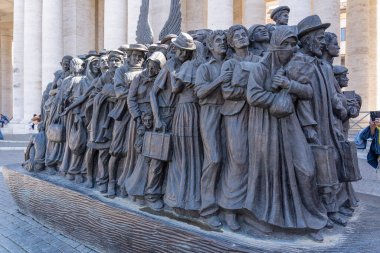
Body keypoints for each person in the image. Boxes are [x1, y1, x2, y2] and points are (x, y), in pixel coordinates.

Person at [245, 26, 327, 242]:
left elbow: (307, 92)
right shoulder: (261, 67)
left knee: (305, 169)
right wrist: (277, 99)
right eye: (286, 45)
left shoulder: (295, 65)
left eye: (293, 45)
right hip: (266, 125)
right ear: (275, 46)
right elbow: (253, 96)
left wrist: (287, 84)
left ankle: (312, 220)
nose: (291, 49)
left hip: (290, 123)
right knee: (270, 172)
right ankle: (266, 218)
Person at [296, 15, 348, 227]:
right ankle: (319, 212)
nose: (322, 43)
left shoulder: (325, 67)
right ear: (307, 39)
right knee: (316, 168)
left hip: (327, 122)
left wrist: (341, 109)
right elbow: (300, 98)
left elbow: (333, 94)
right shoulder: (299, 62)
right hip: (310, 125)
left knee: (333, 162)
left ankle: (331, 208)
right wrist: (308, 125)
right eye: (318, 38)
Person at [217, 25, 260, 231]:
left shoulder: (258, 59)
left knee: (256, 161)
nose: (242, 38)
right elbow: (227, 92)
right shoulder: (229, 64)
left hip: (258, 115)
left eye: (244, 34)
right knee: (239, 159)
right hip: (235, 114)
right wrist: (251, 90)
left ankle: (250, 209)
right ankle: (229, 208)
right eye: (237, 36)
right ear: (231, 43)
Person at [164, 37, 205, 216]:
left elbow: (175, 88)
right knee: (194, 154)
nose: (181, 53)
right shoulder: (200, 66)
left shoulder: (186, 67)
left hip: (185, 110)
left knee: (182, 154)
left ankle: (179, 197)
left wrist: (172, 70)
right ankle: (193, 199)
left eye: (184, 51)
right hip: (196, 111)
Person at [195, 30, 228, 228]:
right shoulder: (204, 68)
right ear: (210, 46)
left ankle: (227, 206)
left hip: (232, 113)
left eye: (224, 40)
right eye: (218, 41)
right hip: (210, 113)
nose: (222, 43)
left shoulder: (231, 64)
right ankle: (207, 210)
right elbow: (200, 92)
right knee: (213, 158)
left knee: (229, 159)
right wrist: (220, 79)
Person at [122, 52, 166, 201]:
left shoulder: (160, 79)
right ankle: (132, 187)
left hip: (154, 120)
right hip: (139, 120)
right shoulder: (138, 78)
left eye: (155, 68)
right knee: (137, 153)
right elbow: (131, 99)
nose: (151, 70)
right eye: (150, 66)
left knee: (152, 155)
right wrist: (138, 118)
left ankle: (147, 189)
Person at [107, 44, 147, 197]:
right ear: (129, 57)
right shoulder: (121, 70)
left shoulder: (145, 71)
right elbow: (119, 91)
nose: (137, 59)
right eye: (134, 56)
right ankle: (111, 182)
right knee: (116, 150)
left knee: (136, 150)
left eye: (140, 56)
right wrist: (136, 92)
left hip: (140, 114)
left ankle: (131, 183)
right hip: (123, 113)